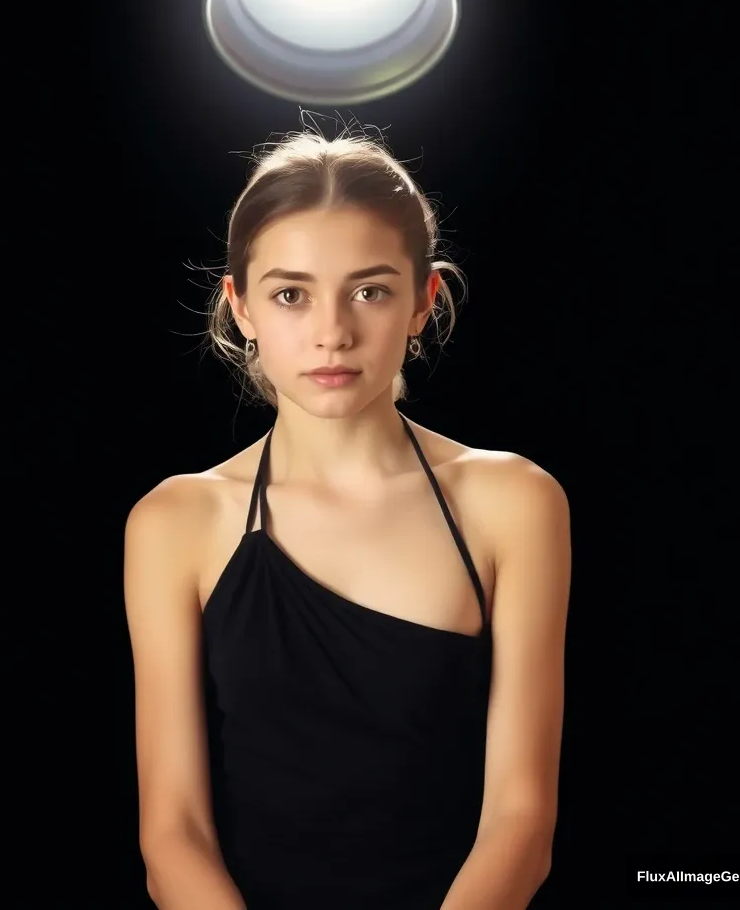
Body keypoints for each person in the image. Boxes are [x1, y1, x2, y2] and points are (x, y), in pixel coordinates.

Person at [124, 128, 571, 910]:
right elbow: (173, 835)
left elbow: (521, 821)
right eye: (291, 293)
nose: (332, 330)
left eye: (370, 290)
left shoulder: (513, 504)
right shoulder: (175, 522)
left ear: (423, 302)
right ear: (242, 306)